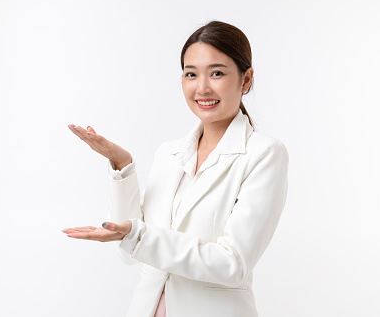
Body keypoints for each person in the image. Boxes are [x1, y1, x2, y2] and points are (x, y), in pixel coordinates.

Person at [63, 20, 289, 317]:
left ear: (246, 80)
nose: (202, 87)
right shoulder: (169, 154)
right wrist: (122, 165)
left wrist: (137, 235)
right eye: (190, 74)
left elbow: (232, 264)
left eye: (217, 73)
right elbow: (131, 251)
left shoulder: (264, 154)